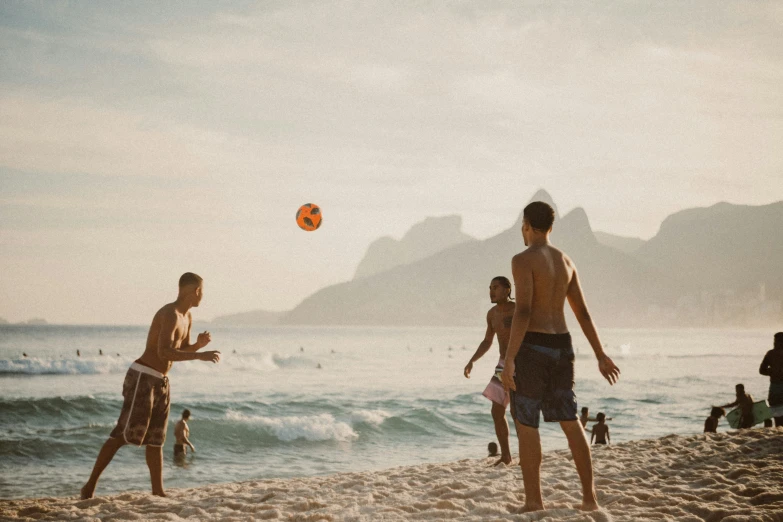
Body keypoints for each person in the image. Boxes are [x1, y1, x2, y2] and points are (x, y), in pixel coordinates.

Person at [500, 201, 620, 513]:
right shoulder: (566, 260)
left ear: (527, 225)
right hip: (563, 345)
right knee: (570, 421)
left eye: (522, 227)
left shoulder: (522, 259)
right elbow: (582, 312)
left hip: (533, 347)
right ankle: (589, 500)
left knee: (527, 424)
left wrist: (510, 358)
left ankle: (534, 501)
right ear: (551, 227)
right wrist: (600, 354)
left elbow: (524, 310)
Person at [81, 273, 221, 499]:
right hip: (143, 377)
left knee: (156, 439)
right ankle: (89, 487)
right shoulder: (169, 314)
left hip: (161, 381)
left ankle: (158, 491)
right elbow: (163, 352)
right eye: (202, 291)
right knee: (123, 435)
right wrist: (200, 355)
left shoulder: (187, 317)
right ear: (195, 290)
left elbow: (179, 352)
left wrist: (196, 346)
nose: (203, 295)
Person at [464, 276, 516, 466]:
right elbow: (487, 341)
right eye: (490, 288)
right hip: (502, 364)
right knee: (497, 411)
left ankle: (528, 453)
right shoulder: (492, 314)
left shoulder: (518, 309)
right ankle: (506, 455)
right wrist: (472, 361)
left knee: (518, 410)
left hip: (521, 363)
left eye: (496, 287)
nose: (491, 291)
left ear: (507, 290)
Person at [759, 332, 783, 427]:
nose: (774, 343)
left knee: (777, 414)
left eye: (776, 341)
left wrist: (773, 371)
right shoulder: (771, 353)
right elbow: (761, 370)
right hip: (775, 386)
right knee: (776, 414)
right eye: (774, 341)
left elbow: (762, 370)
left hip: (775, 386)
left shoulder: (771, 354)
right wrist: (773, 372)